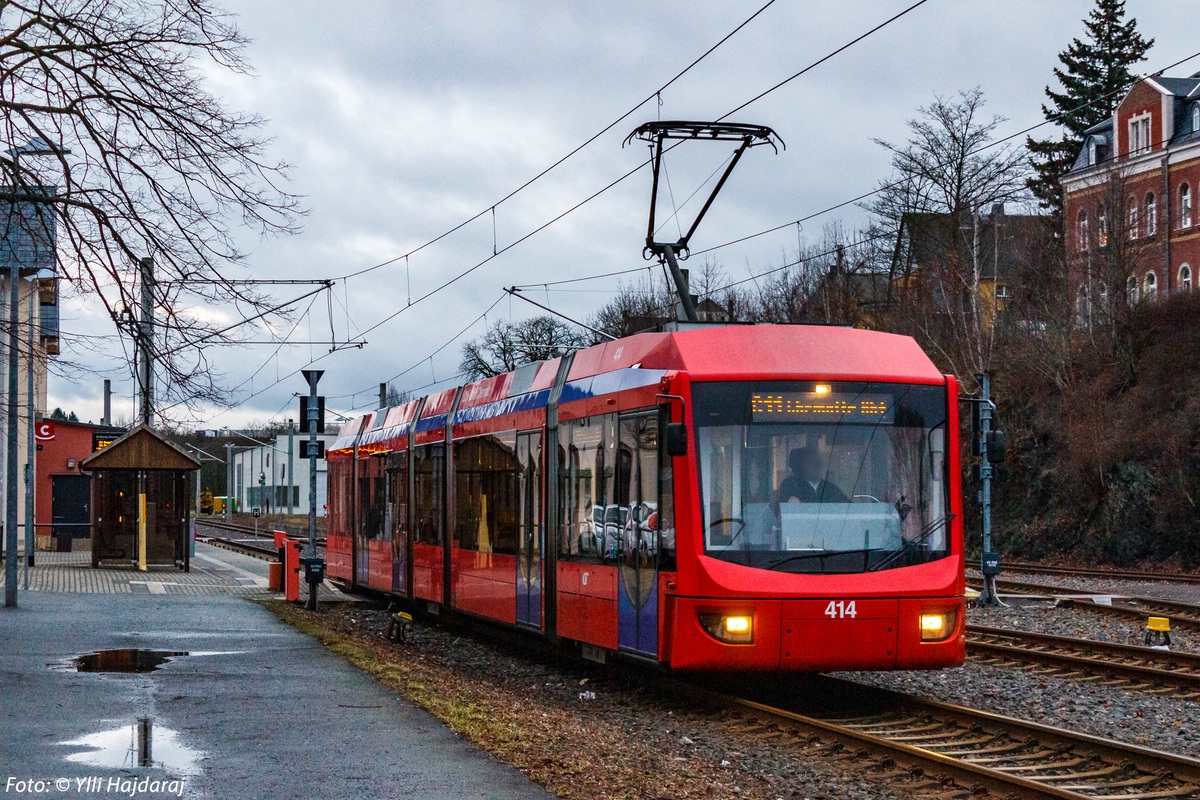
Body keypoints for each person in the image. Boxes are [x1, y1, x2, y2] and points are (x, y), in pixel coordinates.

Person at [778, 446, 849, 504]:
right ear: (802, 466)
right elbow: (783, 504)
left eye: (818, 463)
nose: (816, 466)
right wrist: (791, 499)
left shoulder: (830, 488)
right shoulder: (791, 484)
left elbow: (849, 507)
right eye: (811, 463)